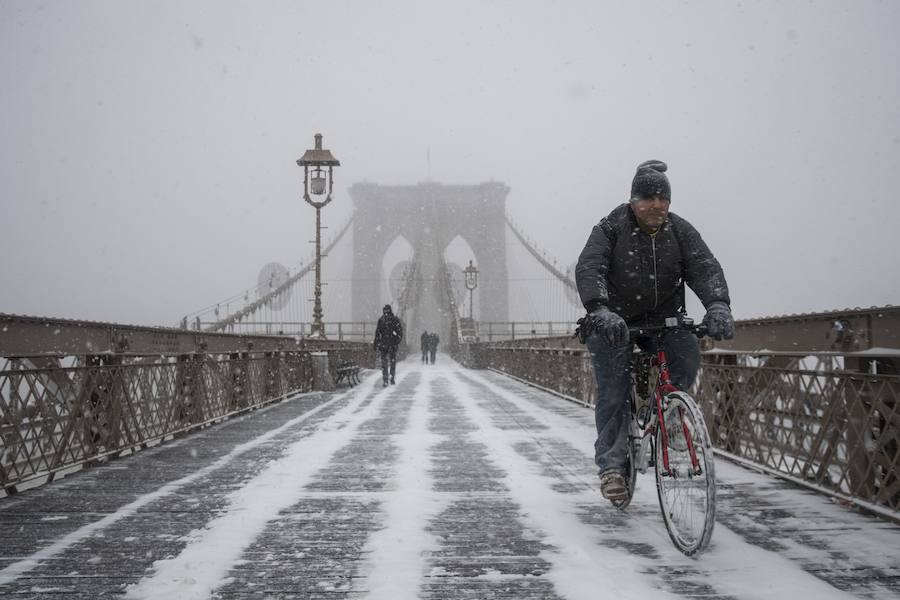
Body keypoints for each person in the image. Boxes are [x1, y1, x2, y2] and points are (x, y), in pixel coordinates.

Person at [575, 160, 734, 502]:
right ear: (633, 201)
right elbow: (590, 268)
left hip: (664, 321)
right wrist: (600, 309)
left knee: (687, 351)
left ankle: (672, 414)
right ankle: (613, 467)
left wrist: (718, 304)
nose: (657, 205)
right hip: (614, 323)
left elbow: (705, 268)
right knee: (614, 391)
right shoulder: (610, 229)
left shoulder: (680, 231)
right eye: (648, 198)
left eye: (663, 199)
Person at [374, 304, 404, 386]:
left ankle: (385, 378)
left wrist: (376, 344)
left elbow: (377, 333)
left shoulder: (381, 320)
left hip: (384, 345)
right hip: (392, 345)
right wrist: (396, 341)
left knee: (384, 363)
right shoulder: (395, 319)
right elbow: (400, 332)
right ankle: (391, 377)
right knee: (392, 361)